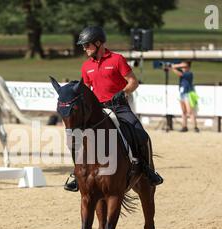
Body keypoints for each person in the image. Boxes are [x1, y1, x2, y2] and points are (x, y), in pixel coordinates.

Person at [64, 26, 163, 192]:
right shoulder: (86, 66)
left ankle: (147, 170)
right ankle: (77, 173)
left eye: (87, 44)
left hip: (118, 107)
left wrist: (123, 93)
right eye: (83, 45)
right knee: (77, 137)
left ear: (98, 43)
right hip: (98, 110)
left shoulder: (117, 59)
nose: (84, 48)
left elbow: (133, 82)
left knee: (140, 133)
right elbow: (87, 89)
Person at [171, 61, 199, 132]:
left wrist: (175, 66)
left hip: (187, 93)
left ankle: (195, 127)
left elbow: (179, 74)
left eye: (184, 66)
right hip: (182, 93)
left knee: (190, 111)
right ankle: (184, 126)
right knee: (183, 111)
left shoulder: (189, 74)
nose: (182, 68)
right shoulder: (183, 72)